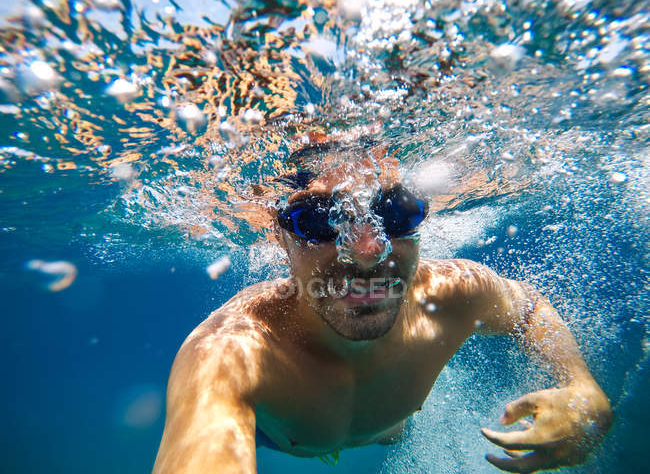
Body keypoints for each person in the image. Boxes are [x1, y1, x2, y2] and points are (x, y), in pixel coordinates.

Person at [152, 147, 612, 474]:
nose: (368, 251)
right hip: (280, 435)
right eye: (316, 220)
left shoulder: (457, 293)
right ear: (280, 239)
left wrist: (581, 385)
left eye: (396, 213)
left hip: (385, 427)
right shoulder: (231, 352)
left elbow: (529, 307)